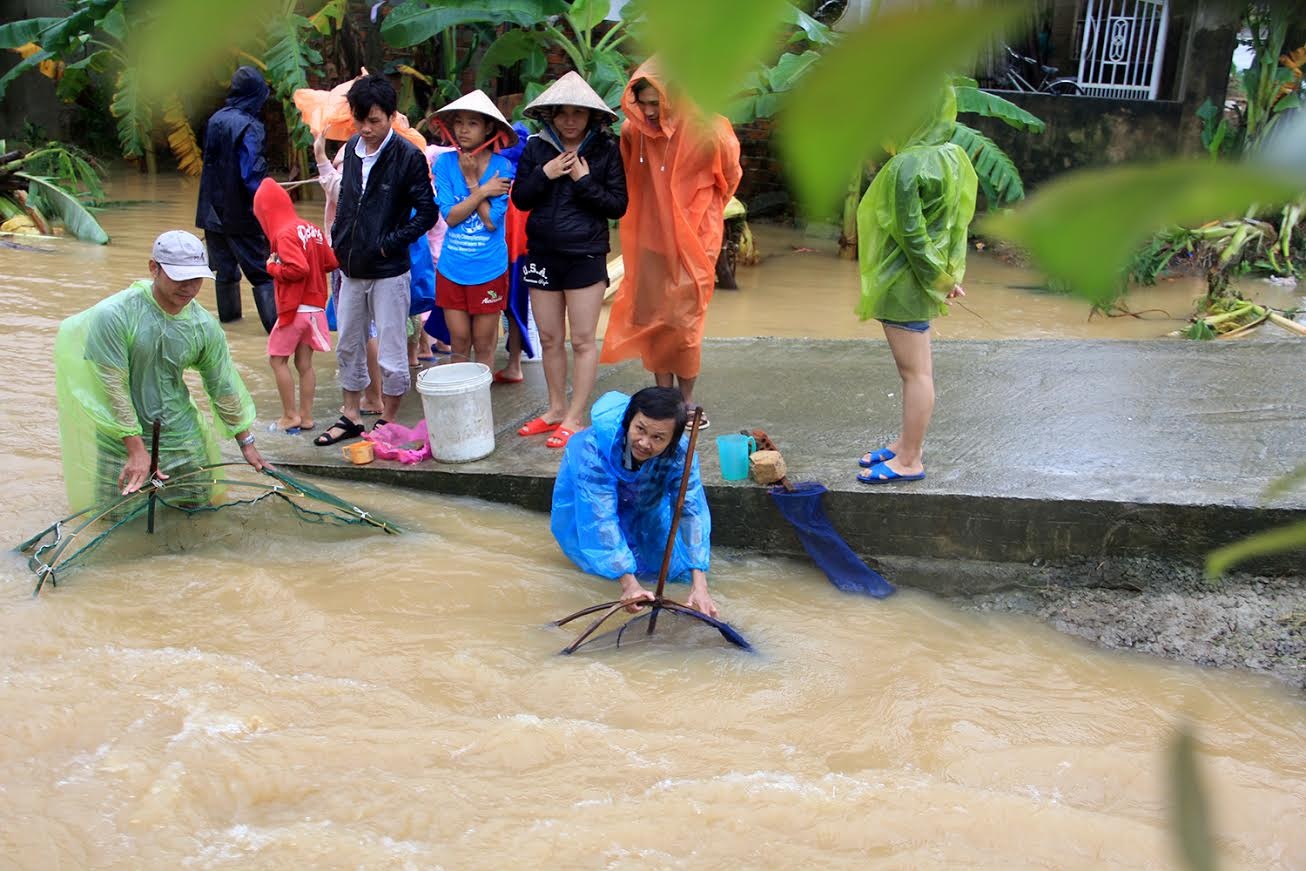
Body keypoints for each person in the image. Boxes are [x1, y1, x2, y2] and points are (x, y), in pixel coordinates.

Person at [53, 230, 266, 512]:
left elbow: (222, 385)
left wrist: (246, 441)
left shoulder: (203, 325)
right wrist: (135, 447)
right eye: (180, 277)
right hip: (121, 440)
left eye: (196, 278)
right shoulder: (115, 315)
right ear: (154, 268)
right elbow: (111, 385)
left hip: (181, 436)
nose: (189, 287)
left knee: (197, 513)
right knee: (117, 517)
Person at [599, 59, 741, 430]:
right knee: (652, 320)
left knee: (685, 323)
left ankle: (688, 402)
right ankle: (665, 400)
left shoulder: (710, 130)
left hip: (696, 241)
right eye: (642, 102)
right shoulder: (633, 132)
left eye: (656, 102)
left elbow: (729, 178)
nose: (648, 111)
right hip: (648, 238)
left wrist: (696, 214)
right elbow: (631, 178)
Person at [855, 84, 977, 484]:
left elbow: (911, 234)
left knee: (916, 375)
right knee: (917, 373)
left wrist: (938, 280)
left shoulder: (907, 165)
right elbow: (956, 226)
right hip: (926, 279)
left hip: (906, 284)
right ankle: (906, 445)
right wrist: (949, 275)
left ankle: (909, 460)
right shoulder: (954, 157)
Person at [315, 74, 437, 446]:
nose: (366, 128)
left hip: (388, 270)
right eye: (360, 120)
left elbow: (428, 213)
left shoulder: (407, 156)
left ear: (391, 117)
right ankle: (350, 415)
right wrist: (321, 158)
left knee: (391, 345)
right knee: (348, 342)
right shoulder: (352, 149)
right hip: (350, 268)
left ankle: (387, 419)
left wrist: (389, 244)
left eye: (375, 121)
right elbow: (346, 196)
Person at [511, 72, 628, 450]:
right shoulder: (535, 147)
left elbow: (617, 206)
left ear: (592, 117)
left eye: (579, 113)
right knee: (548, 338)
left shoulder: (606, 150)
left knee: (581, 340)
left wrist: (582, 180)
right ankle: (555, 409)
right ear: (552, 116)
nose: (571, 121)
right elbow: (521, 199)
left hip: (585, 254)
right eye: (563, 113)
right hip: (542, 253)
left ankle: (576, 417)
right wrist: (545, 174)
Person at [551, 387, 717, 617]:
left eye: (658, 437)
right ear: (629, 421)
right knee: (602, 572)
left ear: (673, 440)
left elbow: (692, 511)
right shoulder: (594, 450)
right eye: (640, 429)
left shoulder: (680, 455)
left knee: (667, 571)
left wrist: (700, 585)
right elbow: (599, 518)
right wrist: (629, 585)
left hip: (644, 501)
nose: (644, 443)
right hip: (590, 503)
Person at [429, 89, 517, 368]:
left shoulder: (502, 165)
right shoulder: (443, 163)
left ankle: (481, 410)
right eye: (459, 122)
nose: (463, 130)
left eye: (473, 123)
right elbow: (451, 217)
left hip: (489, 268)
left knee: (483, 343)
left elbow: (491, 222)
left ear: (489, 128)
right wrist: (480, 189)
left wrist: (471, 181)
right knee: (459, 341)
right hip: (452, 267)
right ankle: (459, 407)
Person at [252, 178, 337, 434]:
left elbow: (298, 268)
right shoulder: (310, 228)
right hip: (315, 309)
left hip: (295, 309)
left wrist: (272, 266)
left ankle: (289, 416)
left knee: (277, 361)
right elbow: (331, 262)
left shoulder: (283, 233)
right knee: (304, 365)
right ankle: (307, 417)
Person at [195, 65, 277, 331]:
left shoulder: (216, 119)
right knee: (262, 273)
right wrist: (269, 204)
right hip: (241, 214)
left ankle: (229, 327)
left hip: (211, 212)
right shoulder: (250, 126)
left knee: (225, 271)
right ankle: (277, 332)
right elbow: (250, 173)